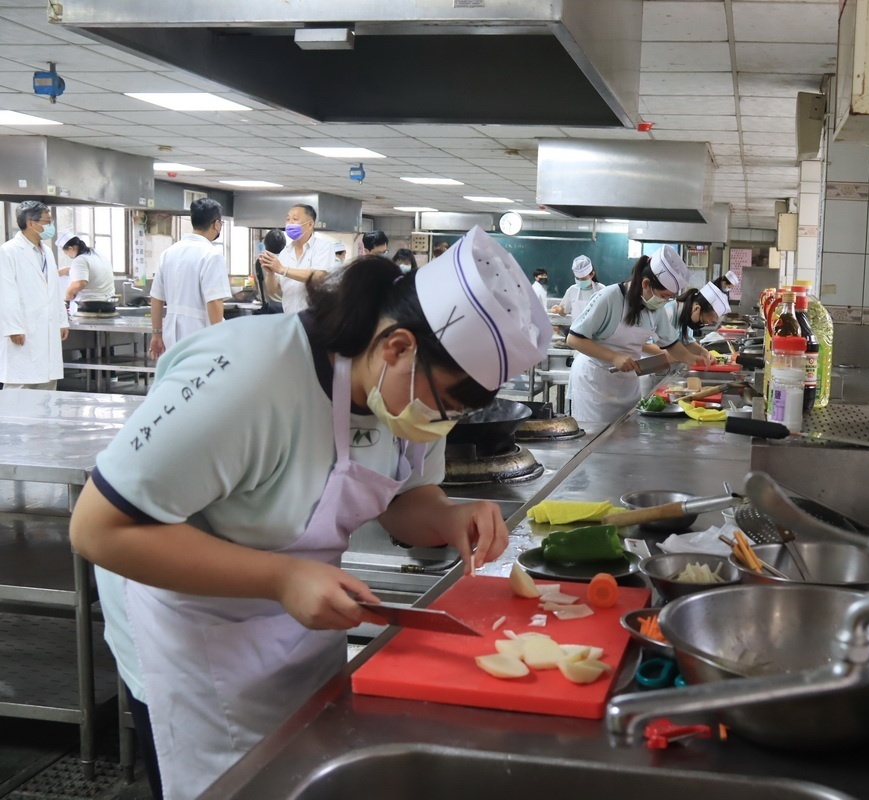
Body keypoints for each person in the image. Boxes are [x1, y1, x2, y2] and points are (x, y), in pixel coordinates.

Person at [69, 225, 551, 800]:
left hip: (301, 620)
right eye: (446, 405)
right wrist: (282, 577)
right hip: (193, 634)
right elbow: (100, 528)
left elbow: (404, 499)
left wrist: (448, 517)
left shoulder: (403, 390)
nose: (441, 424)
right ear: (397, 346)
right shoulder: (250, 377)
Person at [565, 246, 705, 425]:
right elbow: (574, 339)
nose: (665, 301)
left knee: (626, 436)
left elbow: (672, 344)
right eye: (664, 295)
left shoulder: (656, 308)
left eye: (669, 297)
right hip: (595, 382)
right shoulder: (610, 297)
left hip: (626, 383)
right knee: (595, 442)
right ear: (646, 284)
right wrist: (614, 357)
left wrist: (692, 359)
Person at [148, 198, 232, 360]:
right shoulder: (211, 255)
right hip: (202, 336)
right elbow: (214, 301)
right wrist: (219, 338)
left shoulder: (169, 253)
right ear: (216, 224)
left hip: (172, 336)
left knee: (180, 380)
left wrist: (157, 334)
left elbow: (156, 298)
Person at [0, 201, 69, 389]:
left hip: (47, 327)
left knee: (47, 385)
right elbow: (6, 293)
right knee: (20, 386)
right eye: (47, 222)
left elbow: (54, 290)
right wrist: (13, 327)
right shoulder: (9, 251)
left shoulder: (47, 252)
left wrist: (62, 321)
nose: (50, 226)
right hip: (24, 329)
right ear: (31, 223)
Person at [258, 204, 338, 314]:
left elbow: (319, 277)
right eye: (288, 219)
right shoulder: (285, 253)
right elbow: (272, 290)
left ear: (310, 224)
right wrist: (271, 273)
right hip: (291, 318)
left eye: (295, 219)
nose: (290, 223)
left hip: (317, 319)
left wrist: (282, 269)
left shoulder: (323, 247)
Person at [666, 281, 730, 363]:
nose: (701, 325)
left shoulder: (686, 314)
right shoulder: (668, 312)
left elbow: (688, 342)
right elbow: (648, 345)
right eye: (703, 321)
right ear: (696, 309)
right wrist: (682, 356)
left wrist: (704, 352)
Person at [58, 232, 116, 308]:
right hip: (108, 304)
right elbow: (89, 270)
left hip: (89, 306)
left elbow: (79, 284)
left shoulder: (80, 260)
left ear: (70, 248)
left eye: (66, 253)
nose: (68, 256)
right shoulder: (96, 253)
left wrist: (67, 296)